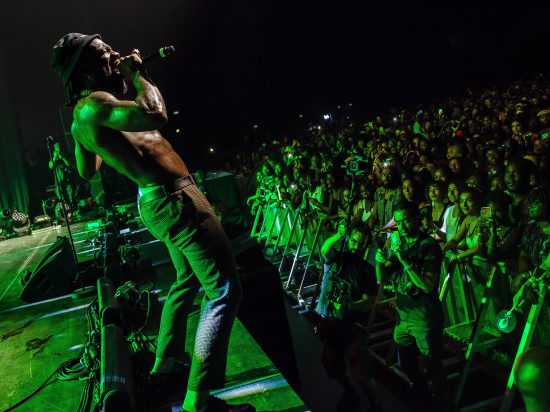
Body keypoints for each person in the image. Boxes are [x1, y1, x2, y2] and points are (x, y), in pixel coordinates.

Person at [51, 33, 253, 412]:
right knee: (225, 290)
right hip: (175, 198)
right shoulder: (95, 105)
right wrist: (141, 75)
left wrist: (85, 137)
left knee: (186, 280)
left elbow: (86, 169)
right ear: (83, 70)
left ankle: (165, 367)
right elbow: (156, 112)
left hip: (158, 199)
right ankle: (199, 400)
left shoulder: (85, 114)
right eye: (101, 53)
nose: (112, 53)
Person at [375, 200, 448, 409]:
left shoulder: (429, 246)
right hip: (403, 317)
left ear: (416, 219)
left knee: (434, 367)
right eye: (398, 222)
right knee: (406, 363)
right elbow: (383, 277)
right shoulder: (402, 244)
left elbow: (426, 285)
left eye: (406, 220)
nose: (402, 226)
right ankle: (424, 399)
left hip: (425, 318)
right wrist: (379, 259)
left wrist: (405, 261)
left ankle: (443, 406)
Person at [315, 222, 379, 412]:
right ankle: (349, 390)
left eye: (361, 243)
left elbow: (368, 302)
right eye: (353, 240)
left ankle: (375, 405)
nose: (356, 246)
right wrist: (338, 235)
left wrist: (348, 306)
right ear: (348, 239)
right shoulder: (337, 258)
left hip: (353, 326)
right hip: (332, 322)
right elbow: (325, 248)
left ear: (366, 245)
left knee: (362, 372)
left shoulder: (367, 270)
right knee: (331, 366)